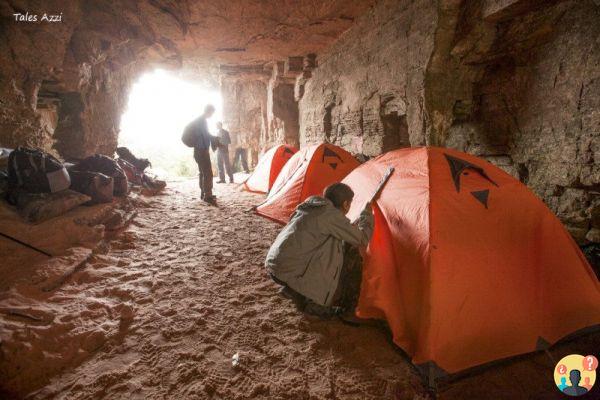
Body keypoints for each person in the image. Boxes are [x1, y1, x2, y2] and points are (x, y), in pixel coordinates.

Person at [265, 182, 374, 317]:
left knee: (326, 241)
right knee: (334, 246)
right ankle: (310, 301)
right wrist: (367, 214)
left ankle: (293, 289)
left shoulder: (311, 207)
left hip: (275, 266)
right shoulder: (330, 215)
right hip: (287, 270)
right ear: (346, 204)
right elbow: (362, 238)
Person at [185, 104, 216, 205]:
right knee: (208, 173)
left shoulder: (199, 120)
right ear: (209, 111)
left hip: (198, 151)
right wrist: (213, 139)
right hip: (202, 151)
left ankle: (203, 193)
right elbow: (204, 135)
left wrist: (212, 137)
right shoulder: (202, 121)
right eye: (212, 113)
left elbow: (204, 134)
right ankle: (208, 195)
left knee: (202, 172)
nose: (212, 115)